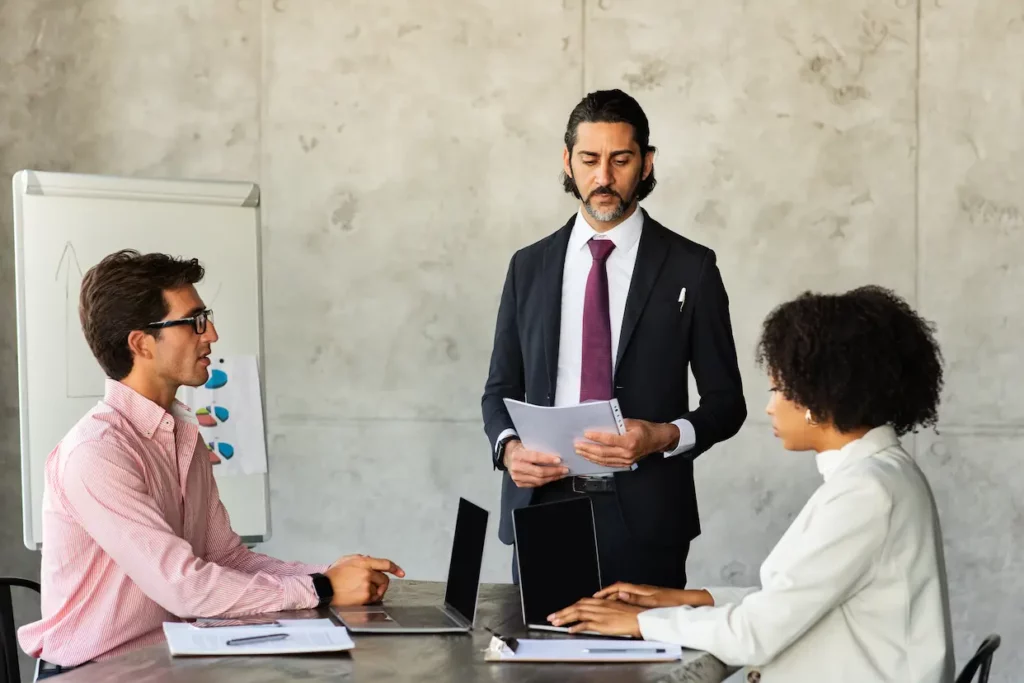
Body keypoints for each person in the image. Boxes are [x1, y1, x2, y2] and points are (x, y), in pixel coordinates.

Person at [19, 250, 404, 678]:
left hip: (171, 662)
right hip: (92, 673)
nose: (212, 335)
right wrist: (325, 589)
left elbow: (226, 559)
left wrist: (330, 572)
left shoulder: (182, 433)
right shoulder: (97, 453)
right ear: (141, 343)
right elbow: (184, 587)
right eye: (195, 321)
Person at [548, 285, 955, 683]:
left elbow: (754, 635)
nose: (769, 406)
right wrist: (691, 599)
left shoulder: (865, 493)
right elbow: (791, 601)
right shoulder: (882, 475)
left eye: (778, 389)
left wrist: (641, 621)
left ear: (821, 396)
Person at [481, 89, 746, 588]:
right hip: (543, 506)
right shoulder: (528, 267)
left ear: (646, 164)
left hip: (647, 518)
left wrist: (662, 436)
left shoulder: (693, 268)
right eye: (589, 160)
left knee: (640, 667)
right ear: (568, 162)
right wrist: (509, 450)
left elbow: (727, 403)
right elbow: (499, 390)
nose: (603, 178)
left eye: (620, 160)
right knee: (540, 662)